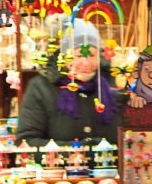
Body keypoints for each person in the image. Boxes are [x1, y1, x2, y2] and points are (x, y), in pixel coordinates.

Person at [15, 19, 121, 147]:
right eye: (79, 56)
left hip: (111, 165)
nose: (86, 62)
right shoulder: (42, 87)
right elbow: (27, 140)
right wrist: (77, 150)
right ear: (64, 56)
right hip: (61, 165)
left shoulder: (115, 83)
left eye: (92, 55)